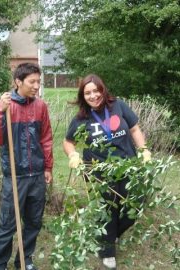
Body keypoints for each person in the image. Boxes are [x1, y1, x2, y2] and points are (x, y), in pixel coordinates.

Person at [63, 74, 151, 270]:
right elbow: (68, 142)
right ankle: (107, 251)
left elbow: (135, 129)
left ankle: (110, 236)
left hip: (128, 166)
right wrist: (73, 155)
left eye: (96, 90)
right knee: (107, 210)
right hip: (98, 171)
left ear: (103, 89)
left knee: (135, 207)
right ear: (82, 96)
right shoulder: (80, 118)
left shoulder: (118, 106)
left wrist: (144, 150)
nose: (93, 96)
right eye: (88, 93)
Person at [0, 63, 53, 270]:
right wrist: (0, 112)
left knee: (33, 222)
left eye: (38, 82)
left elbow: (46, 138)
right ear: (18, 81)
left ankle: (24, 260)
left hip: (37, 175)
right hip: (15, 175)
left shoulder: (40, 106)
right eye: (32, 81)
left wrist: (48, 167)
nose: (36, 86)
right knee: (8, 224)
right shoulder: (6, 105)